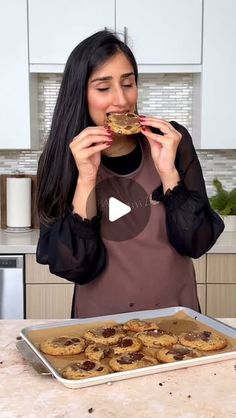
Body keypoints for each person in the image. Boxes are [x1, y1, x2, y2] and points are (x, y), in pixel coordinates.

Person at [36, 30, 224, 318]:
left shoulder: (171, 141)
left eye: (129, 83)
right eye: (103, 88)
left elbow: (196, 243)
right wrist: (86, 179)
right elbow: (76, 267)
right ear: (80, 93)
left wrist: (168, 171)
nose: (121, 100)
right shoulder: (62, 158)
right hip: (98, 329)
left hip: (177, 320)